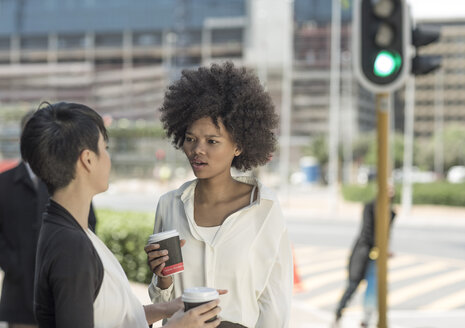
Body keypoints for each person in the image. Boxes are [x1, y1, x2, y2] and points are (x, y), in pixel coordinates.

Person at [20, 102, 223, 328]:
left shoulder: (70, 230)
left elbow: (108, 317)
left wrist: (166, 308)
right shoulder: (71, 245)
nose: (109, 157)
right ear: (87, 159)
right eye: (104, 148)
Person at [145, 62, 293, 327]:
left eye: (212, 141)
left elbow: (274, 302)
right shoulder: (169, 205)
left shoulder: (264, 208)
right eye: (191, 139)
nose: (197, 150)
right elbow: (162, 301)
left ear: (238, 146)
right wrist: (163, 277)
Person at [0, 111, 97, 328]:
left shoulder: (69, 180)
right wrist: (11, 263)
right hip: (19, 295)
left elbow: (90, 224)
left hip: (62, 292)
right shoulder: (3, 183)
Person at [334, 188, 396, 328]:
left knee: (374, 289)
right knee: (352, 286)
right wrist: (381, 248)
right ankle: (338, 314)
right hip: (362, 254)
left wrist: (385, 250)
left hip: (377, 258)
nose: (390, 193)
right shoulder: (370, 207)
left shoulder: (391, 213)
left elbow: (387, 235)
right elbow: (367, 232)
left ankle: (366, 321)